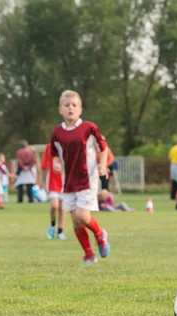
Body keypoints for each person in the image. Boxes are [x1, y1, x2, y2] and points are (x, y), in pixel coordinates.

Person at [50, 90, 110, 264]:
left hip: (87, 179)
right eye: (66, 105)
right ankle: (89, 254)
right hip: (68, 182)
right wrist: (55, 163)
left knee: (83, 216)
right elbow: (54, 152)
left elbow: (103, 147)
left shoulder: (89, 128)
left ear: (80, 109)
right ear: (60, 109)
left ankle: (100, 234)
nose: (70, 108)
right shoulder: (57, 133)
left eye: (74, 105)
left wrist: (102, 164)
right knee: (75, 221)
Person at [41, 143, 67, 240]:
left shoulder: (68, 145)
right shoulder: (49, 147)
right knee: (54, 205)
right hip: (53, 181)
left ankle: (60, 232)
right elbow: (43, 165)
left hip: (65, 181)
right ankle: (52, 225)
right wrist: (41, 181)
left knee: (62, 208)